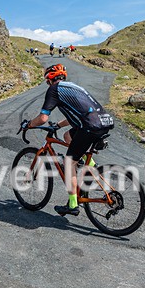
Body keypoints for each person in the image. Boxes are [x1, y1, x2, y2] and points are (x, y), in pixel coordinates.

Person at [22, 63, 114, 216]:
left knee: (69, 162)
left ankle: (72, 204)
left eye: (47, 80)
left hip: (90, 127)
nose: (47, 83)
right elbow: (80, 113)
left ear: (50, 79)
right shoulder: (73, 87)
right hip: (103, 122)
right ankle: (90, 165)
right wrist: (58, 125)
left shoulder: (54, 90)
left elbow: (43, 118)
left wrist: (29, 125)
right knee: (67, 136)